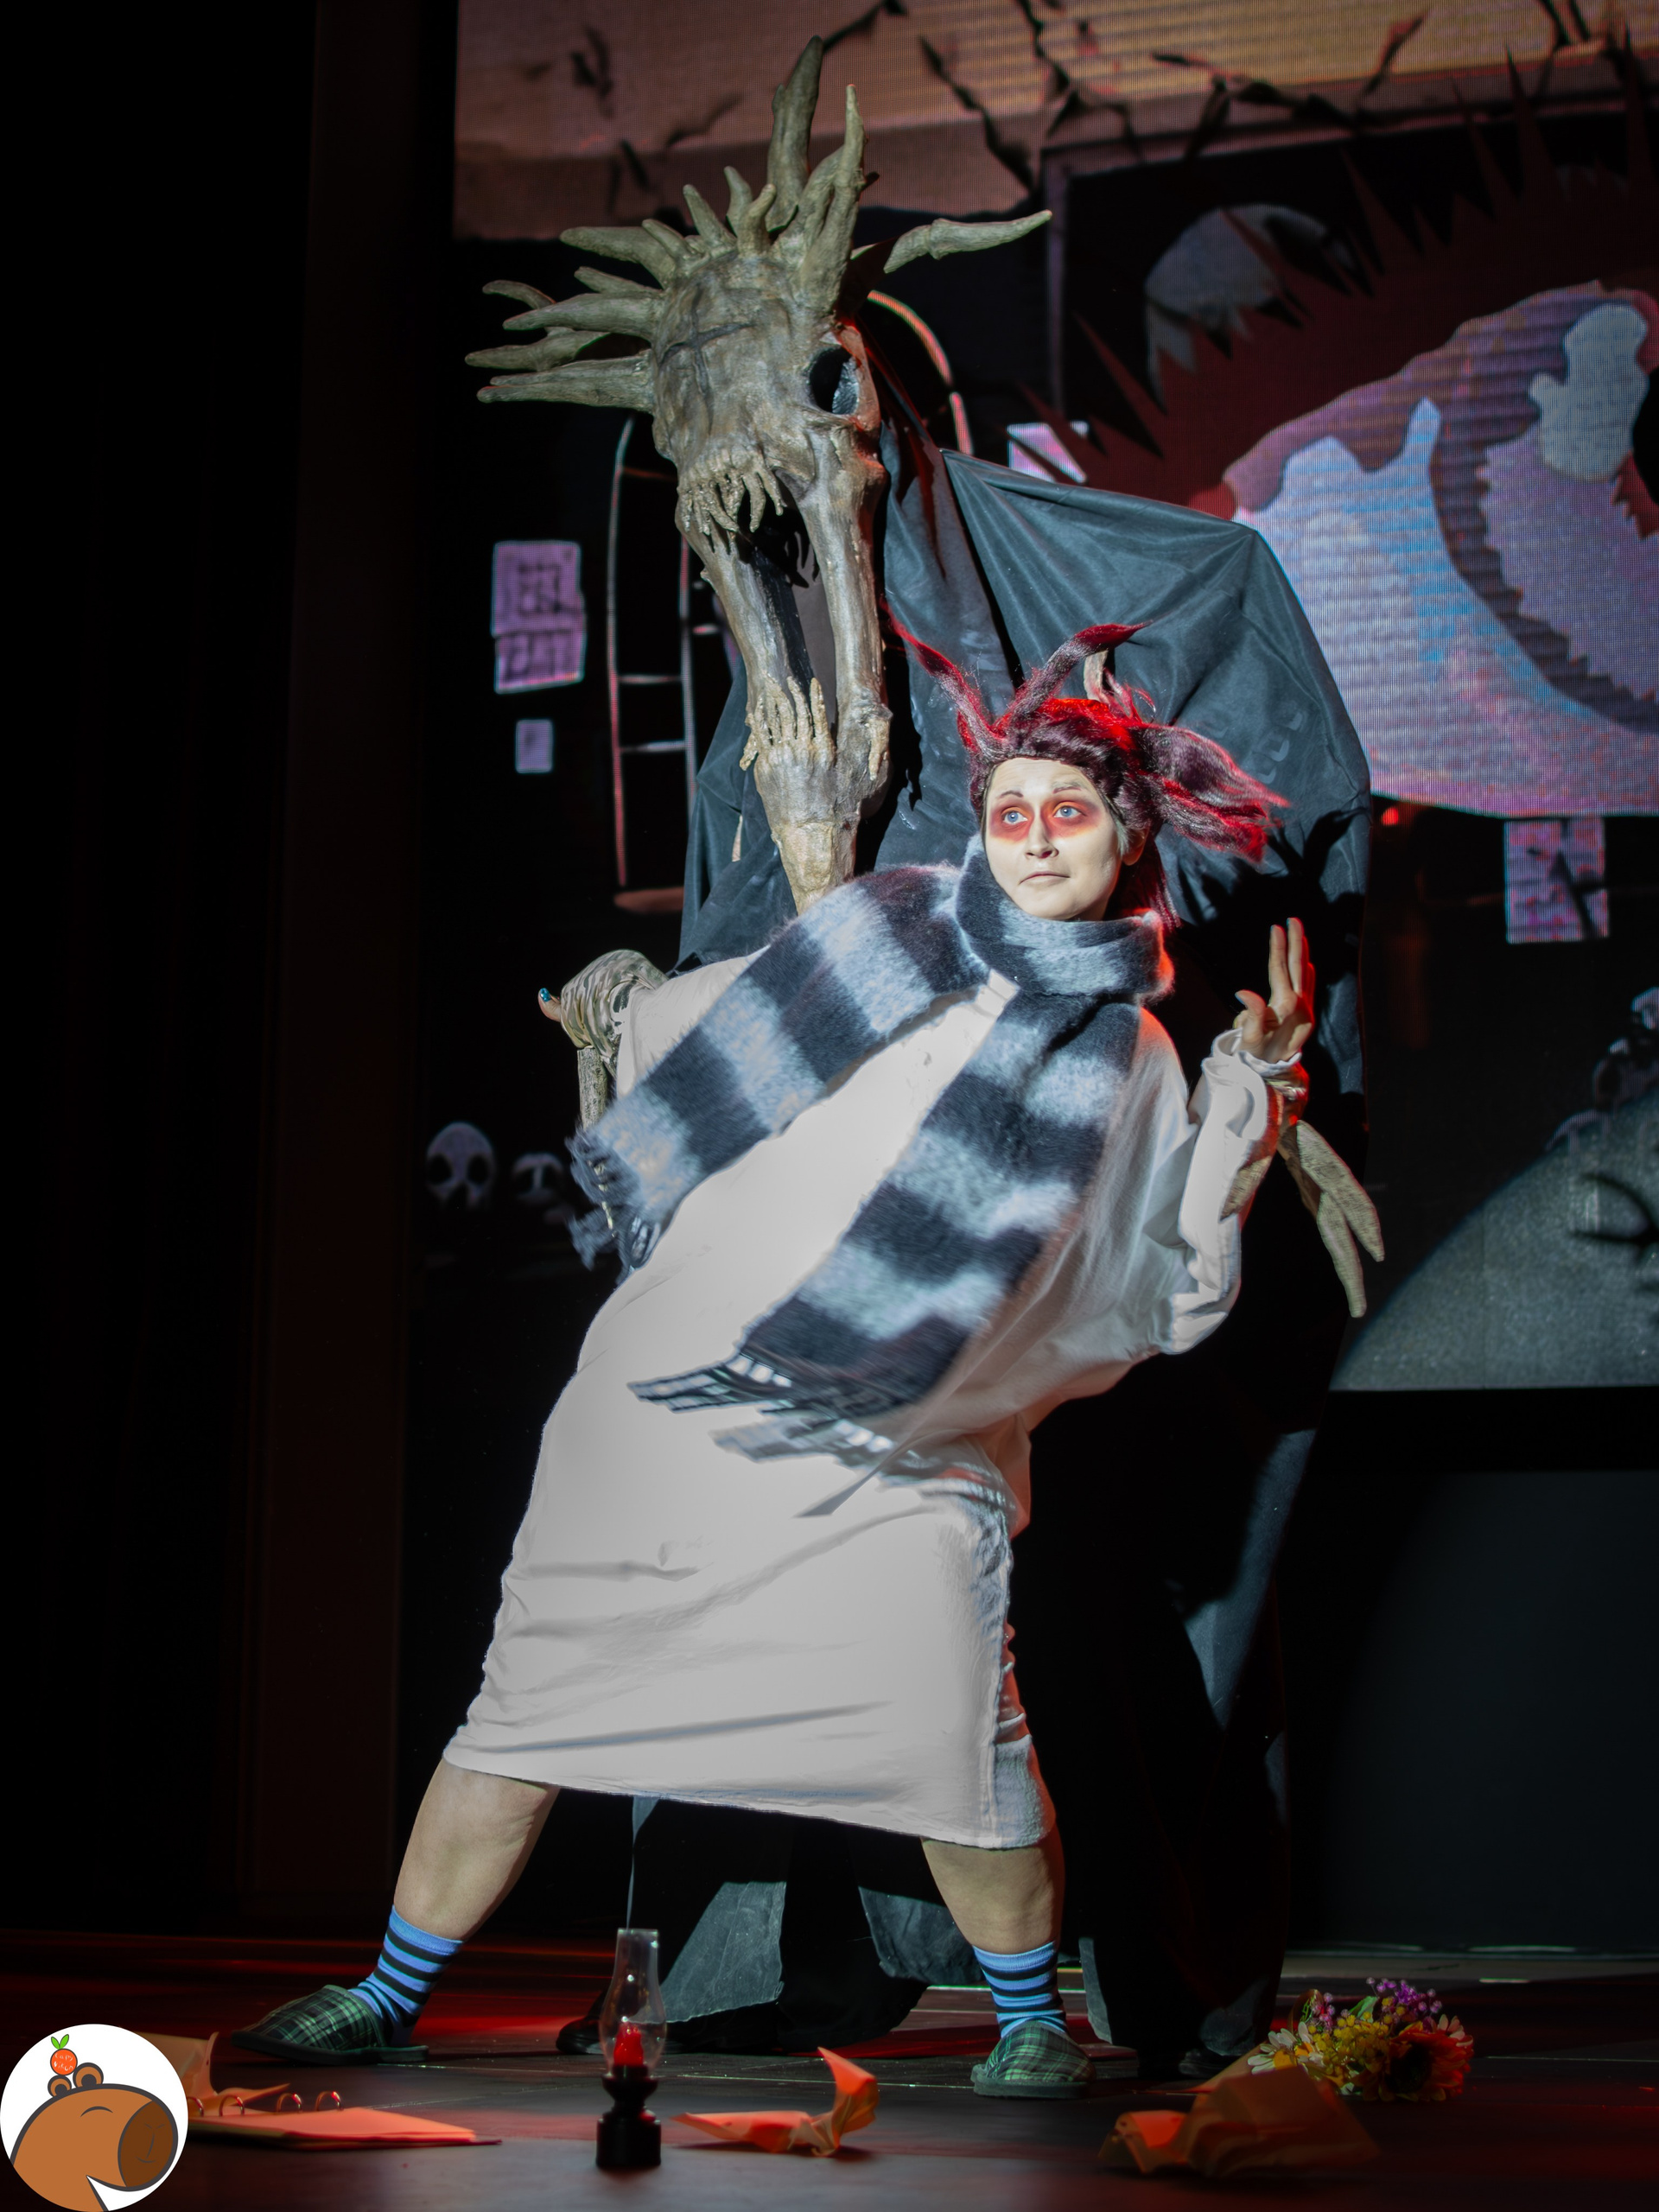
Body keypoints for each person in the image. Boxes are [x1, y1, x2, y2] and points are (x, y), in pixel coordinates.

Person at [235, 624, 1319, 2097]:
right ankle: (386, 1993)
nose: (1034, 837)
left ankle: (1029, 2025)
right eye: (1011, 810)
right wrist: (623, 1008)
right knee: (532, 1711)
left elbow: (1160, 1273)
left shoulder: (1124, 1051)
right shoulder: (881, 927)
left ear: (1126, 836)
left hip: (899, 1444)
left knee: (960, 1740)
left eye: (1068, 812)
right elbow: (708, 1030)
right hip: (674, 1410)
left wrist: (1251, 1097)